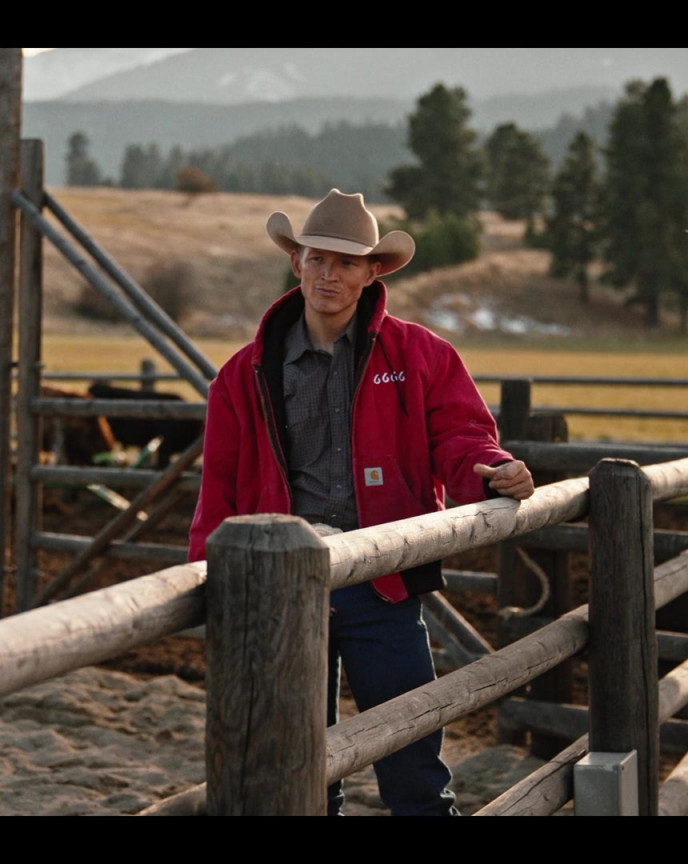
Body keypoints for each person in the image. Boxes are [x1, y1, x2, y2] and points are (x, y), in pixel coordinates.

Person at [187, 189, 534, 816]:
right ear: (296, 263)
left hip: (384, 580)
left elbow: (462, 436)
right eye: (317, 258)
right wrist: (208, 583)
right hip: (282, 587)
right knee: (299, 765)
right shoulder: (243, 375)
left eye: (346, 263)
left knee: (414, 766)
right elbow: (219, 489)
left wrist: (490, 471)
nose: (329, 274)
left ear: (373, 272)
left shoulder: (421, 355)